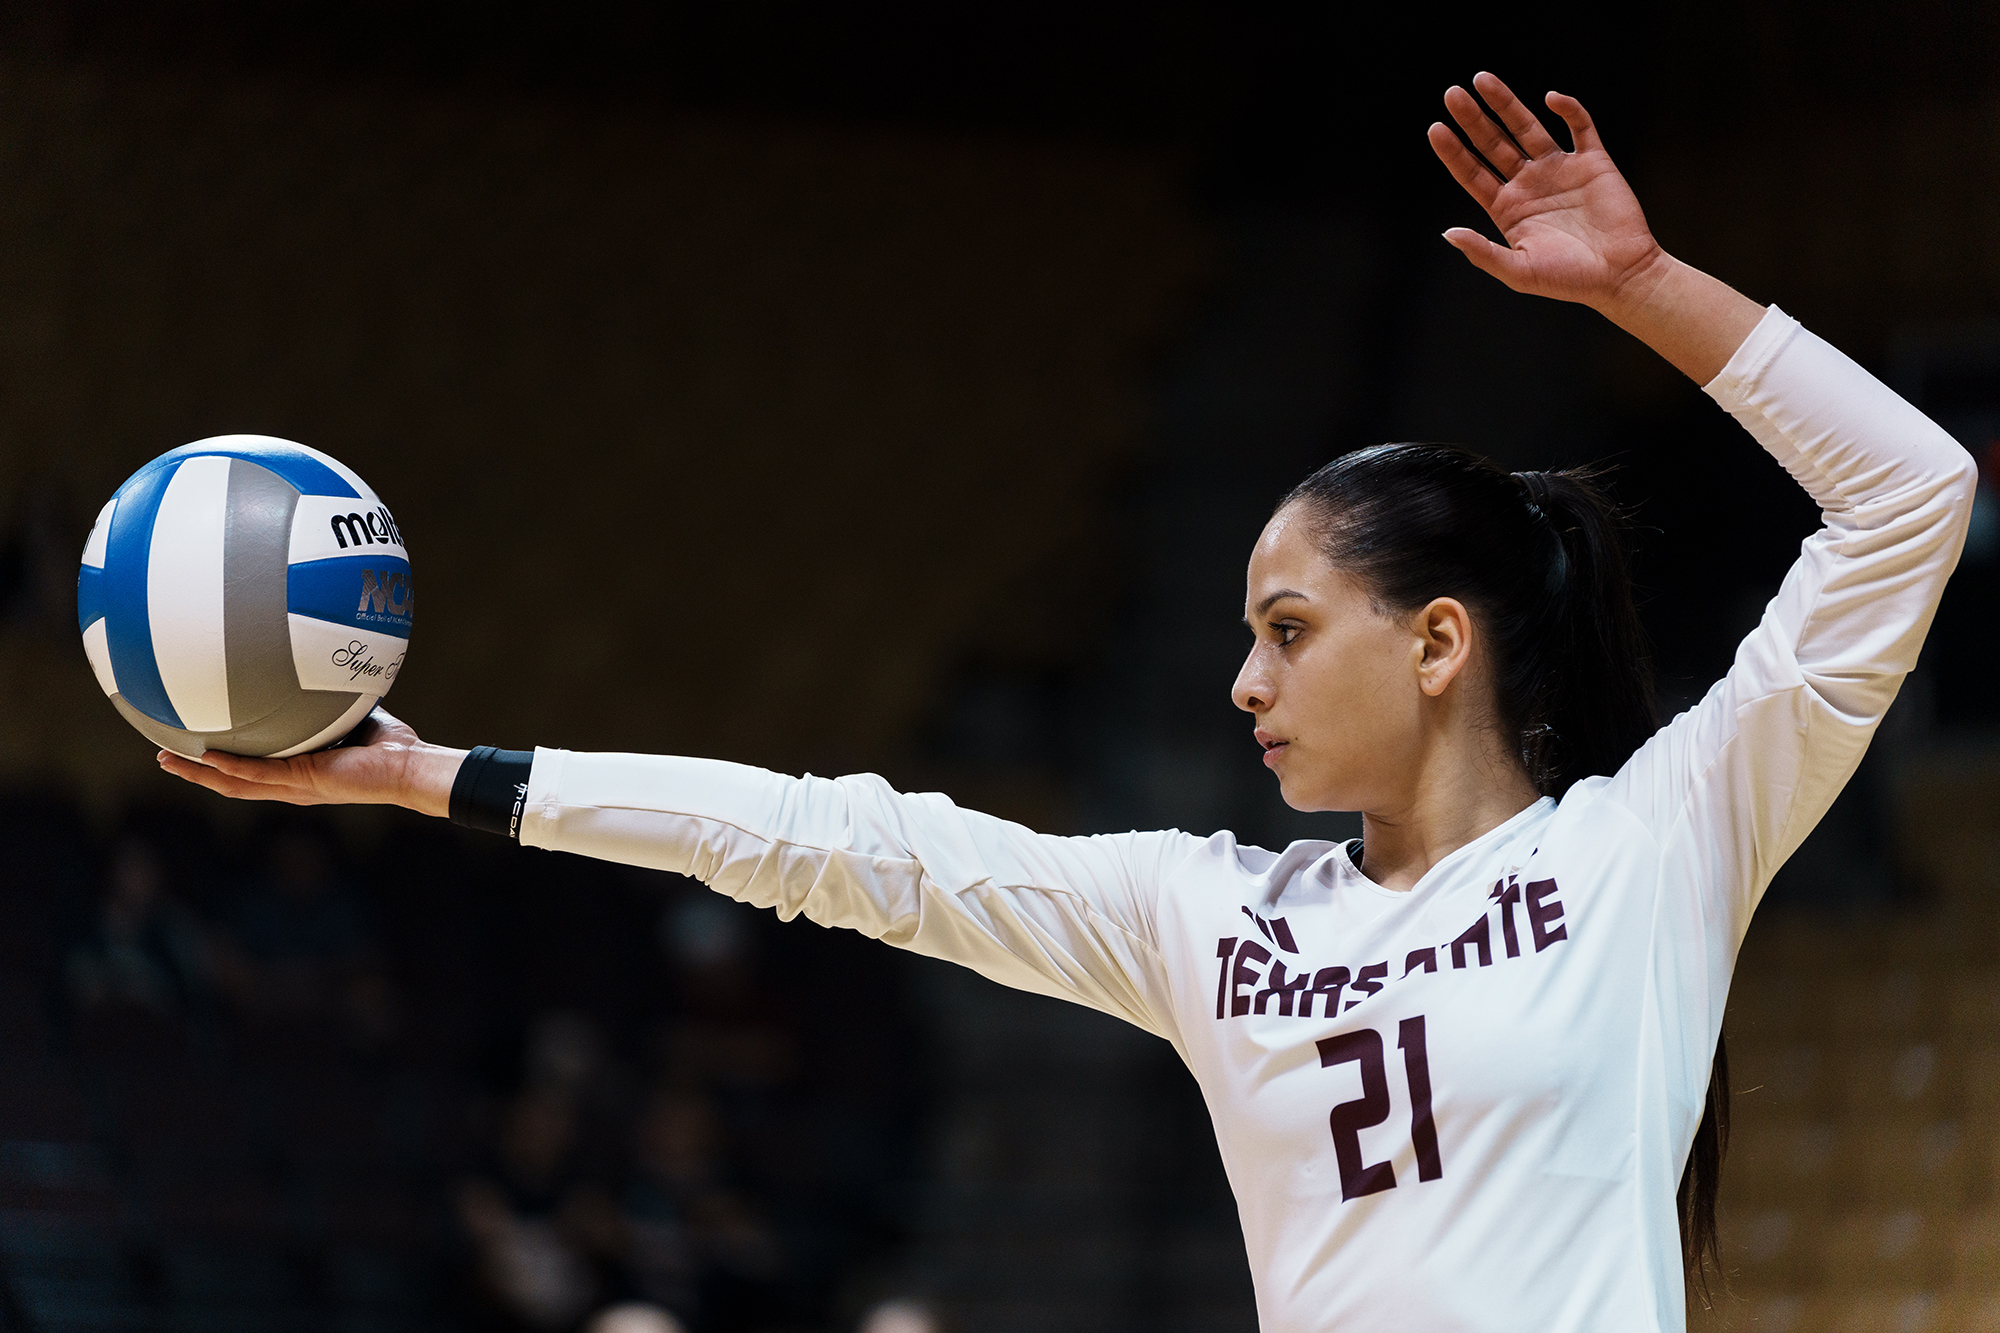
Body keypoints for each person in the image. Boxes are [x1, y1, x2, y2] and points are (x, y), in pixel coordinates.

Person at [159, 72, 1980, 1332]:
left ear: (1439, 644)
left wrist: (1650, 289)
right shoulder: (1211, 917)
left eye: (1285, 628)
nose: (1242, 681)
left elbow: (1911, 494)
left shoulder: (1656, 847)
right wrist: (443, 779)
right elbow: (828, 843)